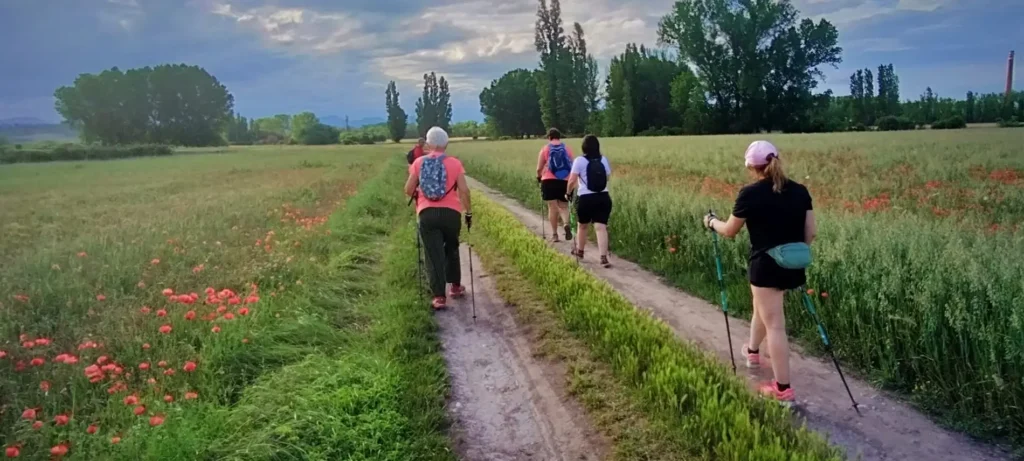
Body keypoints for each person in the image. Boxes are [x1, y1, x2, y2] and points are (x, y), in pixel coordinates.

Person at [703, 140, 816, 406]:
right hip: (793, 263)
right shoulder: (800, 191)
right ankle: (753, 352)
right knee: (763, 309)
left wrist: (711, 222)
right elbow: (811, 232)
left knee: (775, 323)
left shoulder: (750, 193)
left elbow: (730, 231)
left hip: (765, 267)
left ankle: (783, 389)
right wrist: (790, 256)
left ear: (752, 167)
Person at [405, 127, 473, 310]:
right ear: (446, 143)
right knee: (451, 247)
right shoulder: (455, 163)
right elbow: (464, 191)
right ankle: (456, 287)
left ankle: (439, 297)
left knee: (433, 253)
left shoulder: (419, 162)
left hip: (427, 214)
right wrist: (468, 212)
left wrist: (420, 196)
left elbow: (408, 189)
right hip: (451, 213)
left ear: (428, 143)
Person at [566, 135, 612, 268]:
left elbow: (572, 180)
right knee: (600, 227)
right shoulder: (603, 159)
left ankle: (580, 251)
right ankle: (603, 257)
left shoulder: (579, 160)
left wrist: (568, 193)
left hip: (585, 197)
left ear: (584, 147)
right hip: (603, 196)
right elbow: (607, 177)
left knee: (582, 225)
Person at [536, 128, 574, 242]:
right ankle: (566, 224)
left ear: (549, 137)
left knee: (552, 208)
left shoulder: (545, 148)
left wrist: (539, 178)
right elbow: (572, 165)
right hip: (564, 181)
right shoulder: (567, 148)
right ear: (559, 137)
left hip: (548, 180)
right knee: (563, 206)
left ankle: (555, 234)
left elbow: (539, 168)